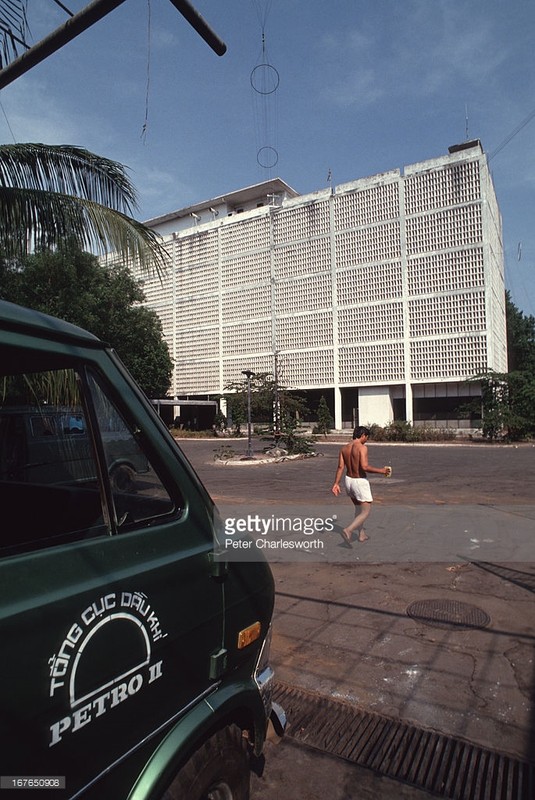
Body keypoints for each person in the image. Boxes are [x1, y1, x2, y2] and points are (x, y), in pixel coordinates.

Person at [331, 426, 389, 546]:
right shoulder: (362, 448)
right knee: (365, 511)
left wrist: (336, 483)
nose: (366, 440)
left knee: (358, 509)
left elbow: (340, 467)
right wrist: (382, 471)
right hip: (359, 481)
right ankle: (348, 530)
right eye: (366, 437)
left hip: (348, 480)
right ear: (363, 435)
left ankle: (361, 534)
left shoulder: (344, 448)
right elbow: (365, 467)